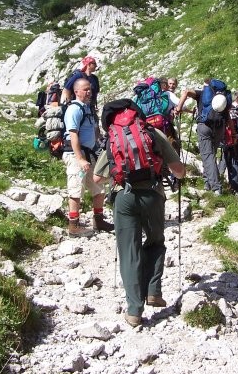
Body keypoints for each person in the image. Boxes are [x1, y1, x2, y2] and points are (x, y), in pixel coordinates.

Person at [93, 101, 186, 327]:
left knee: (129, 251)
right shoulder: (152, 133)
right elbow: (179, 170)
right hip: (153, 194)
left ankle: (134, 310)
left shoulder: (112, 138)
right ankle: (153, 290)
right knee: (155, 240)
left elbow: (97, 178)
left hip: (124, 198)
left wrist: (118, 174)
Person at [62, 78, 113, 237]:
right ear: (76, 91)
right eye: (85, 89)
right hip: (77, 156)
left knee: (99, 187)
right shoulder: (74, 110)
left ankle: (98, 221)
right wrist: (80, 159)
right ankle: (73, 226)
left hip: (89, 154)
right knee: (76, 188)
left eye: (90, 89)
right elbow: (73, 135)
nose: (89, 92)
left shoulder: (88, 109)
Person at [175, 79, 233, 195]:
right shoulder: (223, 98)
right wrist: (234, 132)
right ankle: (207, 182)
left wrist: (179, 108)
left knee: (207, 156)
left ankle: (216, 187)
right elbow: (228, 116)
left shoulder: (202, 94)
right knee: (211, 154)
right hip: (220, 127)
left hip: (205, 126)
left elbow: (186, 92)